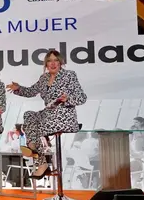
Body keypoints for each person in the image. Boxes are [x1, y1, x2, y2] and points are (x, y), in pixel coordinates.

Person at [6, 49, 87, 179]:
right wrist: (18, 88)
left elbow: (82, 98)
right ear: (46, 64)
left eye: (56, 60)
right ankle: (40, 158)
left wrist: (68, 99)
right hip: (48, 114)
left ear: (61, 63)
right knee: (29, 115)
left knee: (34, 128)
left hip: (64, 115)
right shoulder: (44, 78)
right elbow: (31, 91)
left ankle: (34, 149)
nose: (53, 63)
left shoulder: (69, 75)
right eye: (49, 61)